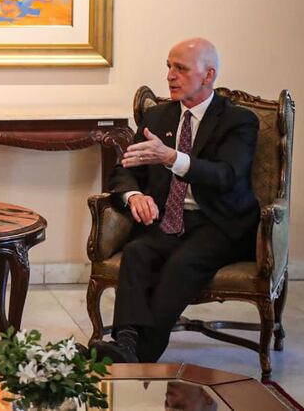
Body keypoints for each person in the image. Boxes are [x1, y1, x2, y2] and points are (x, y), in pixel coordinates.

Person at [92, 38, 260, 364]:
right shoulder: (157, 118)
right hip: (170, 219)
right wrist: (135, 194)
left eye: (180, 68)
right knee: (138, 252)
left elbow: (226, 174)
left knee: (182, 264)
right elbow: (124, 171)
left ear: (208, 75)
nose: (170, 75)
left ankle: (140, 355)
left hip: (219, 223)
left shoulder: (238, 121)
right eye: (168, 66)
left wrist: (172, 158)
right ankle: (125, 340)